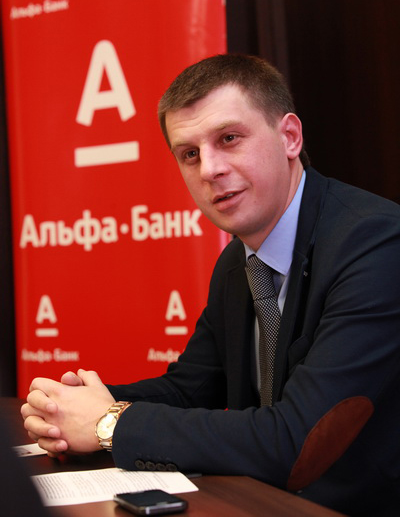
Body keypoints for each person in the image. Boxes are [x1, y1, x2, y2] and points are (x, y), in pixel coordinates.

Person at [21, 54, 400, 516]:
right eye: (190, 154)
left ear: (290, 137)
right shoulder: (237, 262)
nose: (209, 170)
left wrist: (109, 424)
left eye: (229, 139)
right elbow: (190, 389)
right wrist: (74, 409)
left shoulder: (376, 244)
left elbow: (297, 440)